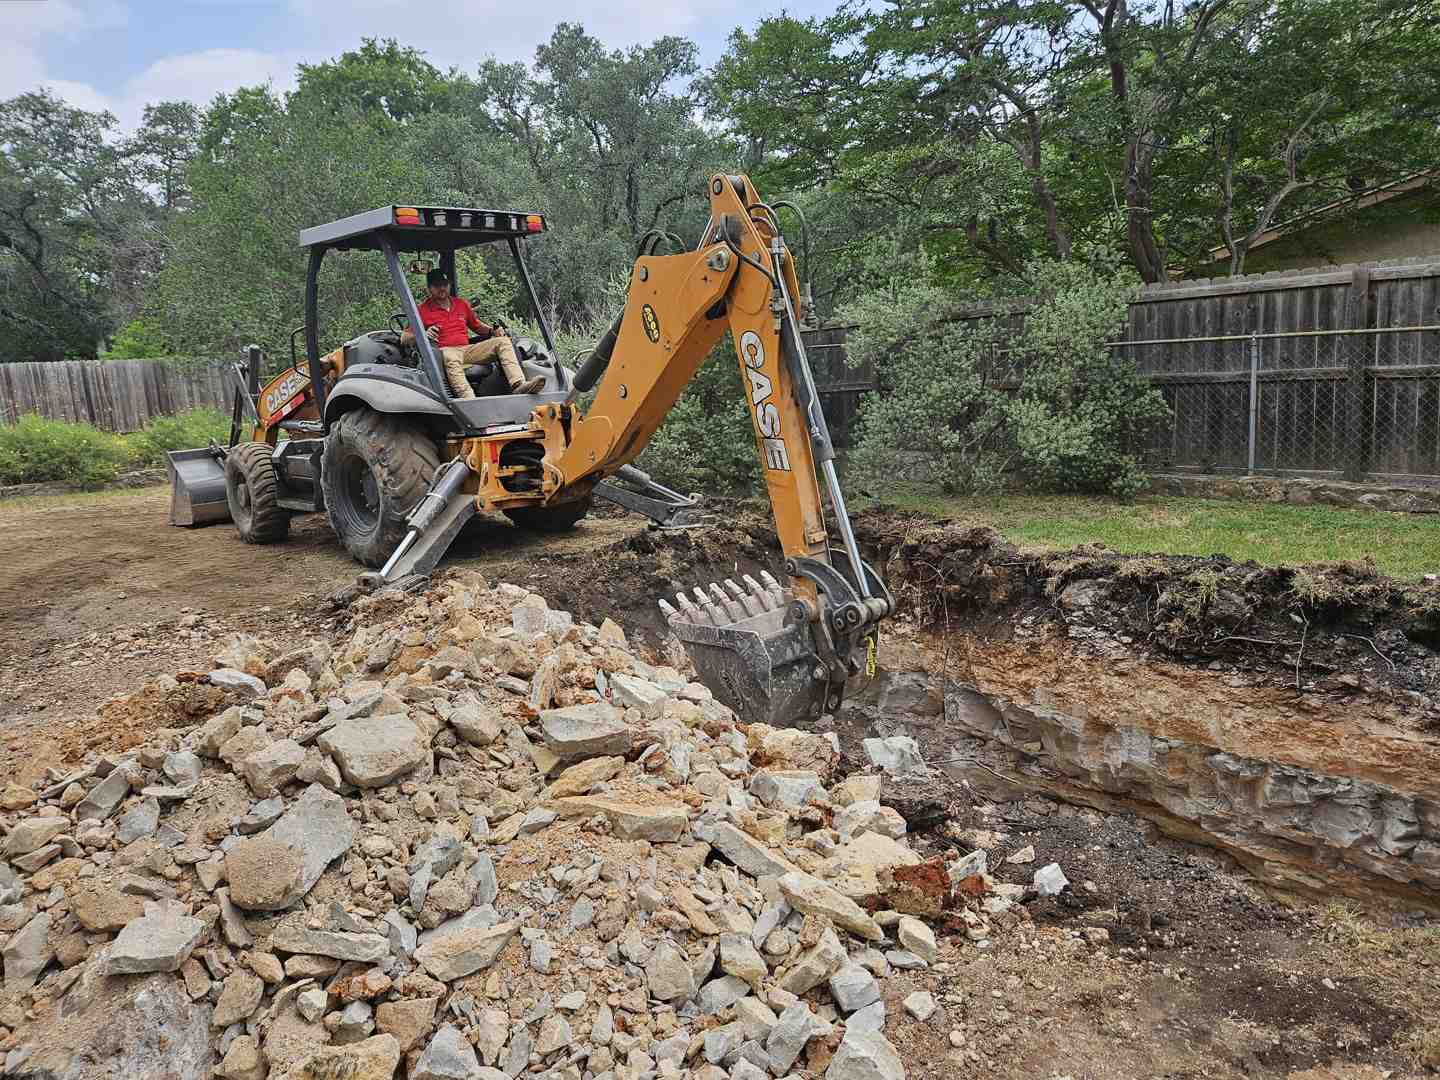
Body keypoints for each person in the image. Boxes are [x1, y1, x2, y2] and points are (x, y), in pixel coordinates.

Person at [401, 269, 545, 398]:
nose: (442, 288)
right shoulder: (422, 310)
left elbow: (476, 326)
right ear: (429, 288)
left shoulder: (461, 304)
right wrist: (423, 334)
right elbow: (404, 339)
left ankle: (518, 385)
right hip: (445, 351)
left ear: (449, 285)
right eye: (437, 285)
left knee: (503, 342)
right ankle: (469, 400)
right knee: (451, 356)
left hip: (467, 349)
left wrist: (492, 331)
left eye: (445, 284)